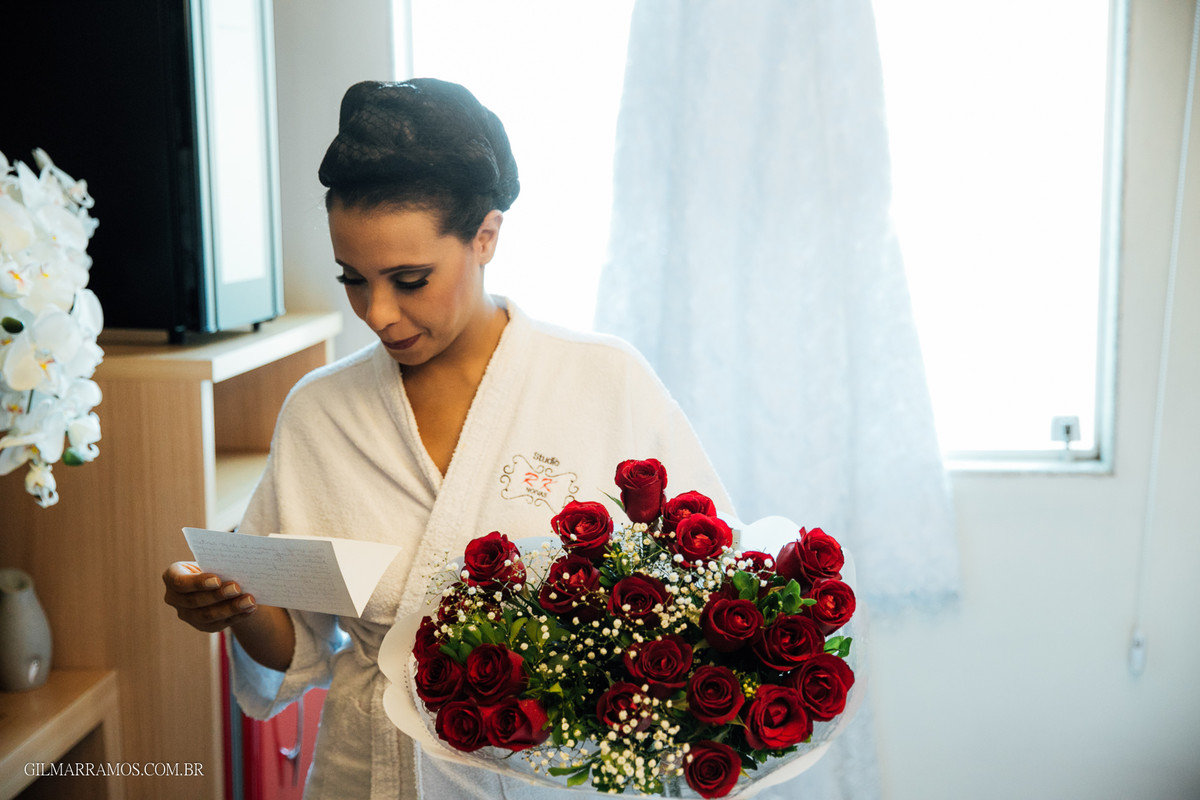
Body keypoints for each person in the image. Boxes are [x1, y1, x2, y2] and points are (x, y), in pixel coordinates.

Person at [162, 78, 732, 800]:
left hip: (550, 776)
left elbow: (710, 594)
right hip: (369, 771)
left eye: (409, 279)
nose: (377, 312)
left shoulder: (603, 381)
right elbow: (300, 648)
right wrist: (235, 605)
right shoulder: (321, 412)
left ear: (486, 236)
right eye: (352, 279)